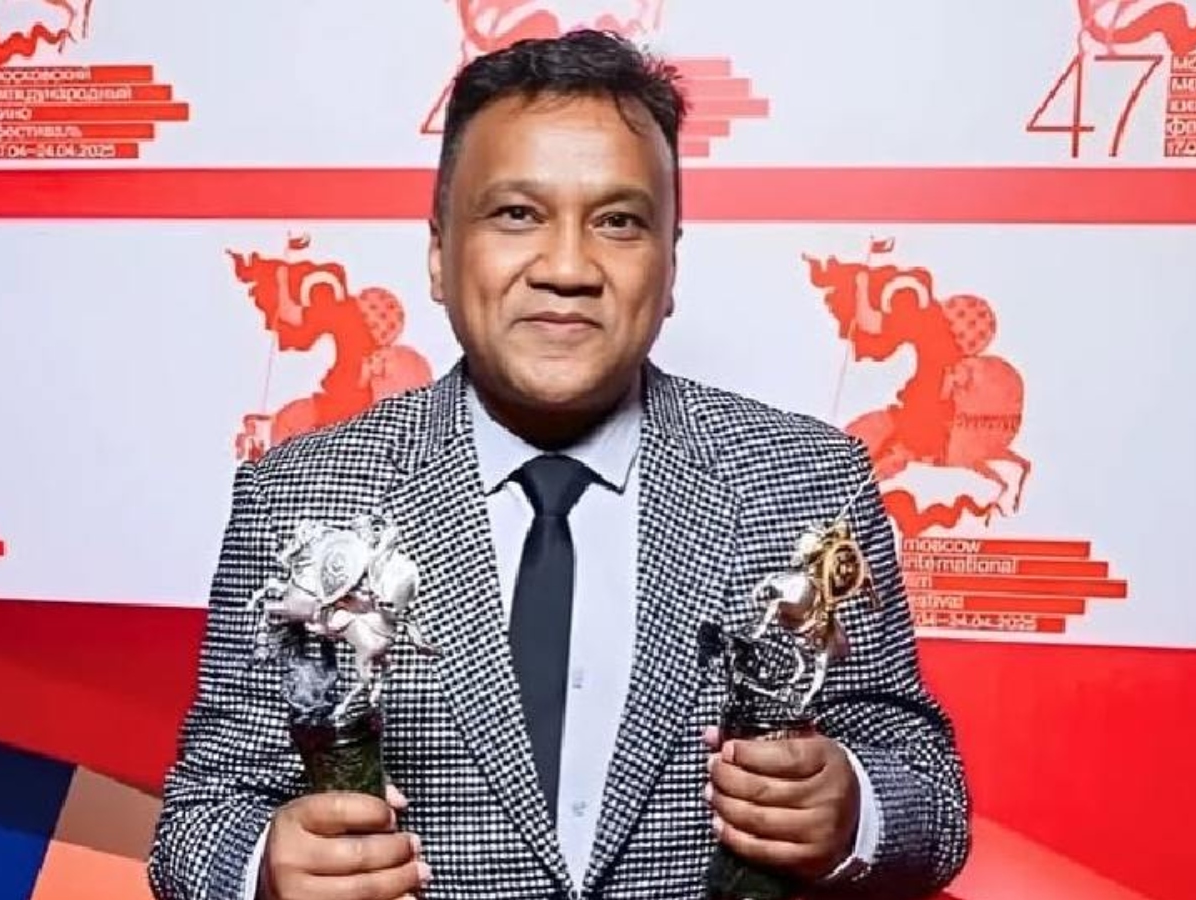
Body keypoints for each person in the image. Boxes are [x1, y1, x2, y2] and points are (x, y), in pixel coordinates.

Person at [148, 28, 970, 900]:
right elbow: (201, 817)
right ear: (438, 254)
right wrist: (265, 869)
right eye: (516, 214)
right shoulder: (301, 494)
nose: (569, 268)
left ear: (670, 263)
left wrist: (855, 812)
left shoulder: (806, 480)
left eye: (619, 222)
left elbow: (930, 791)